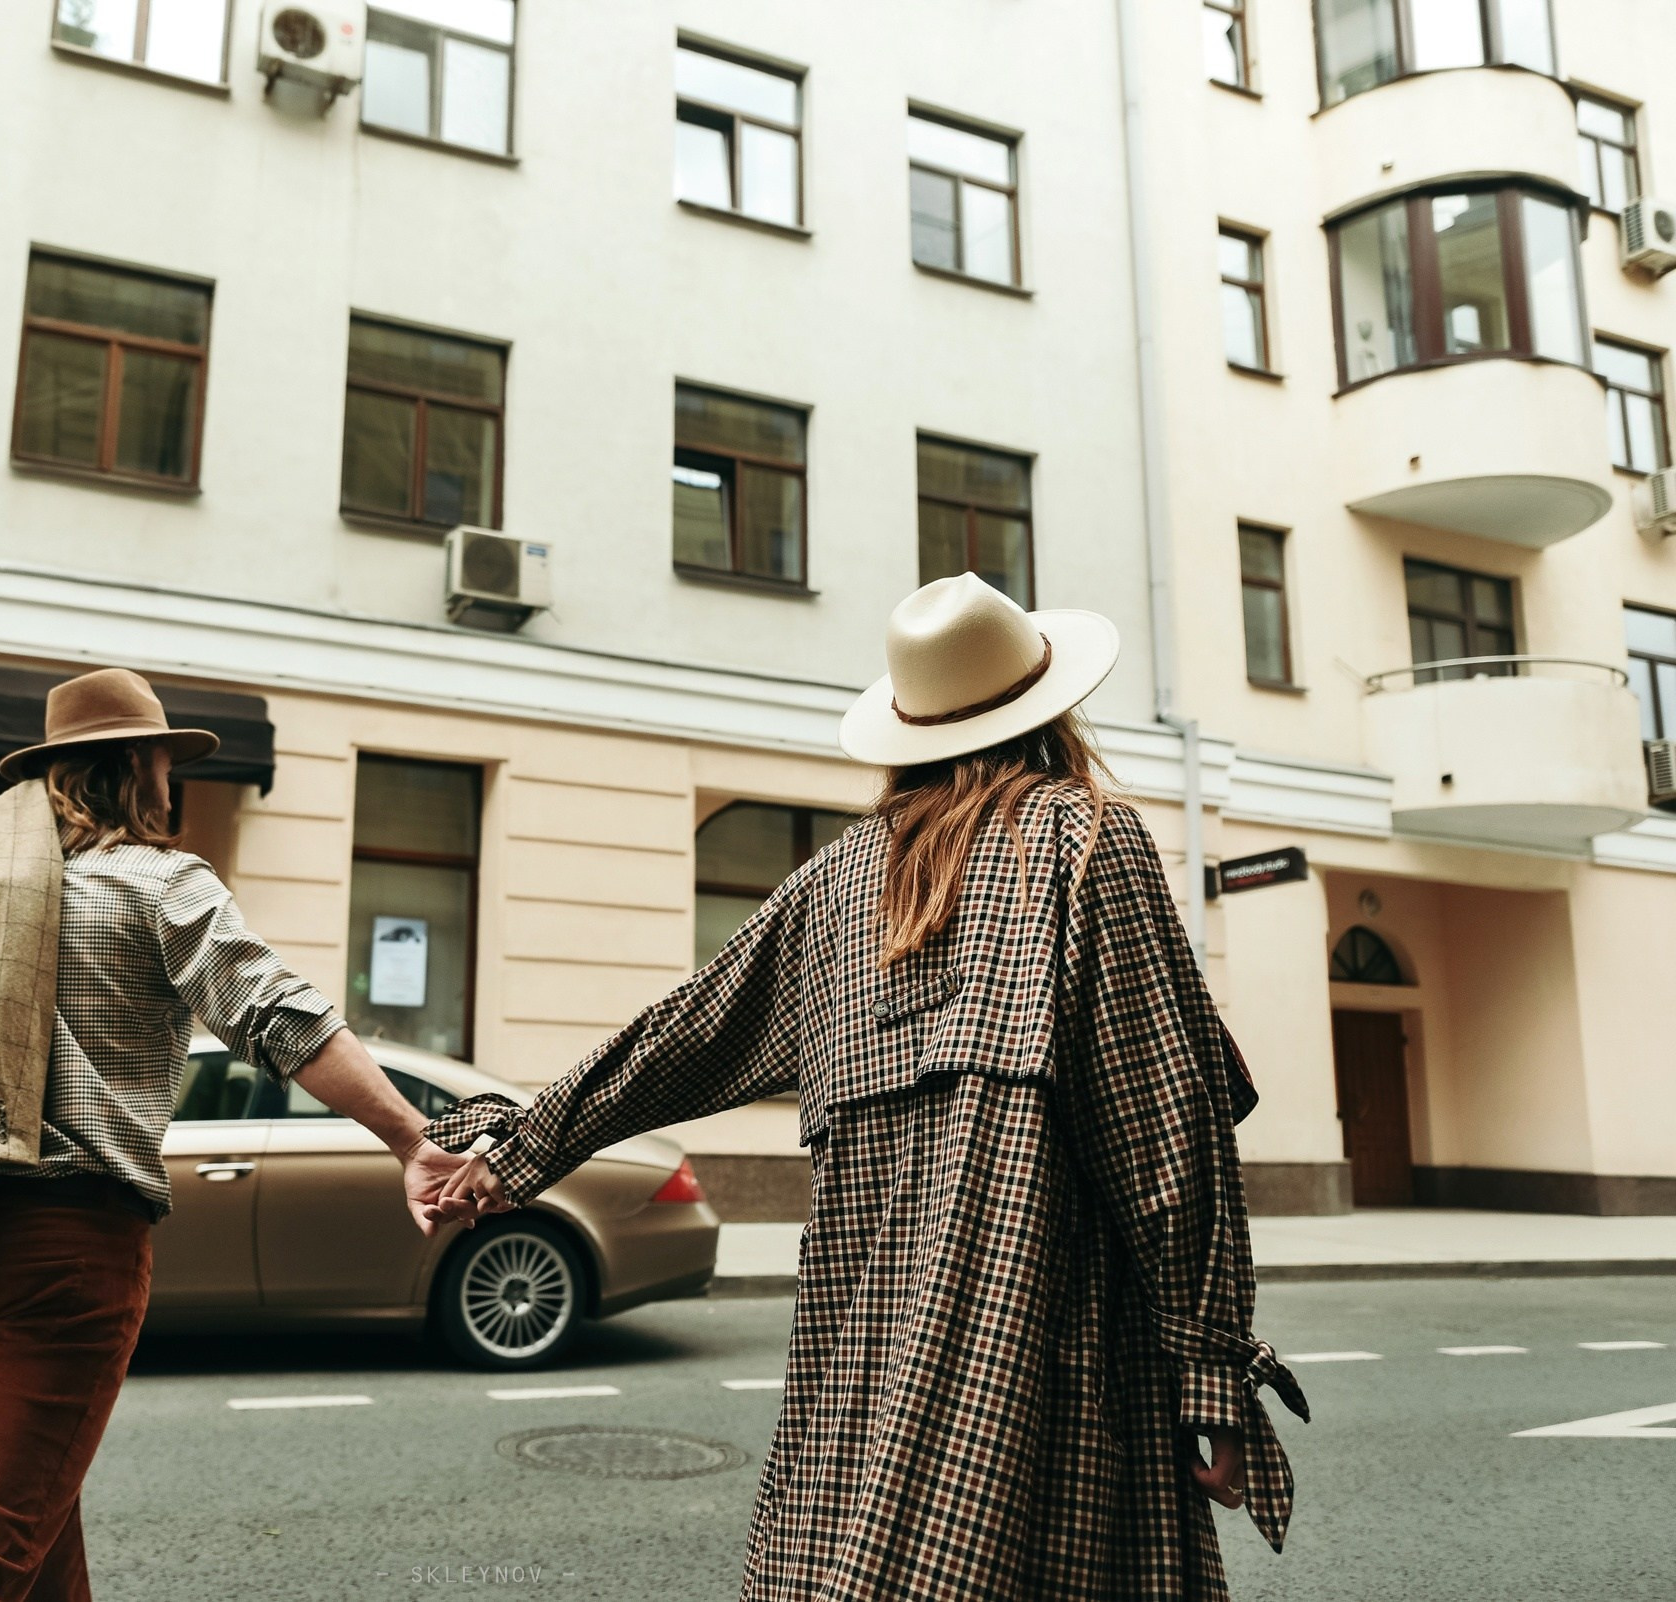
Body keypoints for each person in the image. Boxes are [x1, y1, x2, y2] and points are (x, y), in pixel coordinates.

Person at [428, 574, 1308, 1601]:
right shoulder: (1086, 840)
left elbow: (679, 1037)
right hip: (1052, 1351)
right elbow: (1168, 1139)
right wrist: (1208, 1376)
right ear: (1050, 712)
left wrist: (517, 1146)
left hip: (861, 1359)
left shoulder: (838, 882)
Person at [0, 668, 467, 1602]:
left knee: (33, 1504)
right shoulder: (159, 885)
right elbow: (281, 1017)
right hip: (66, 1256)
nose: (173, 782)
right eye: (165, 760)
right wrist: (411, 1139)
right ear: (132, 767)